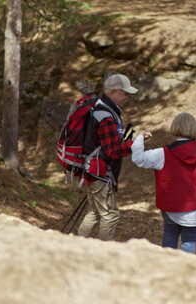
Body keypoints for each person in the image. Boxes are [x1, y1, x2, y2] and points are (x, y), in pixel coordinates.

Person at [131, 112, 196, 254]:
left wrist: (139, 139)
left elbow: (138, 158)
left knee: (170, 234)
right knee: (190, 241)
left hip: (171, 206)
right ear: (194, 129)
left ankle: (168, 266)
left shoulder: (162, 153)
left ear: (175, 128)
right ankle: (185, 269)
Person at [76, 74, 138, 241]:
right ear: (114, 92)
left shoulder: (99, 108)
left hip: (91, 168)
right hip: (100, 171)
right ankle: (104, 251)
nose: (127, 97)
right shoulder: (107, 116)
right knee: (110, 214)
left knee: (94, 212)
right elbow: (113, 151)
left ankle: (76, 245)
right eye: (125, 93)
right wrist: (136, 144)